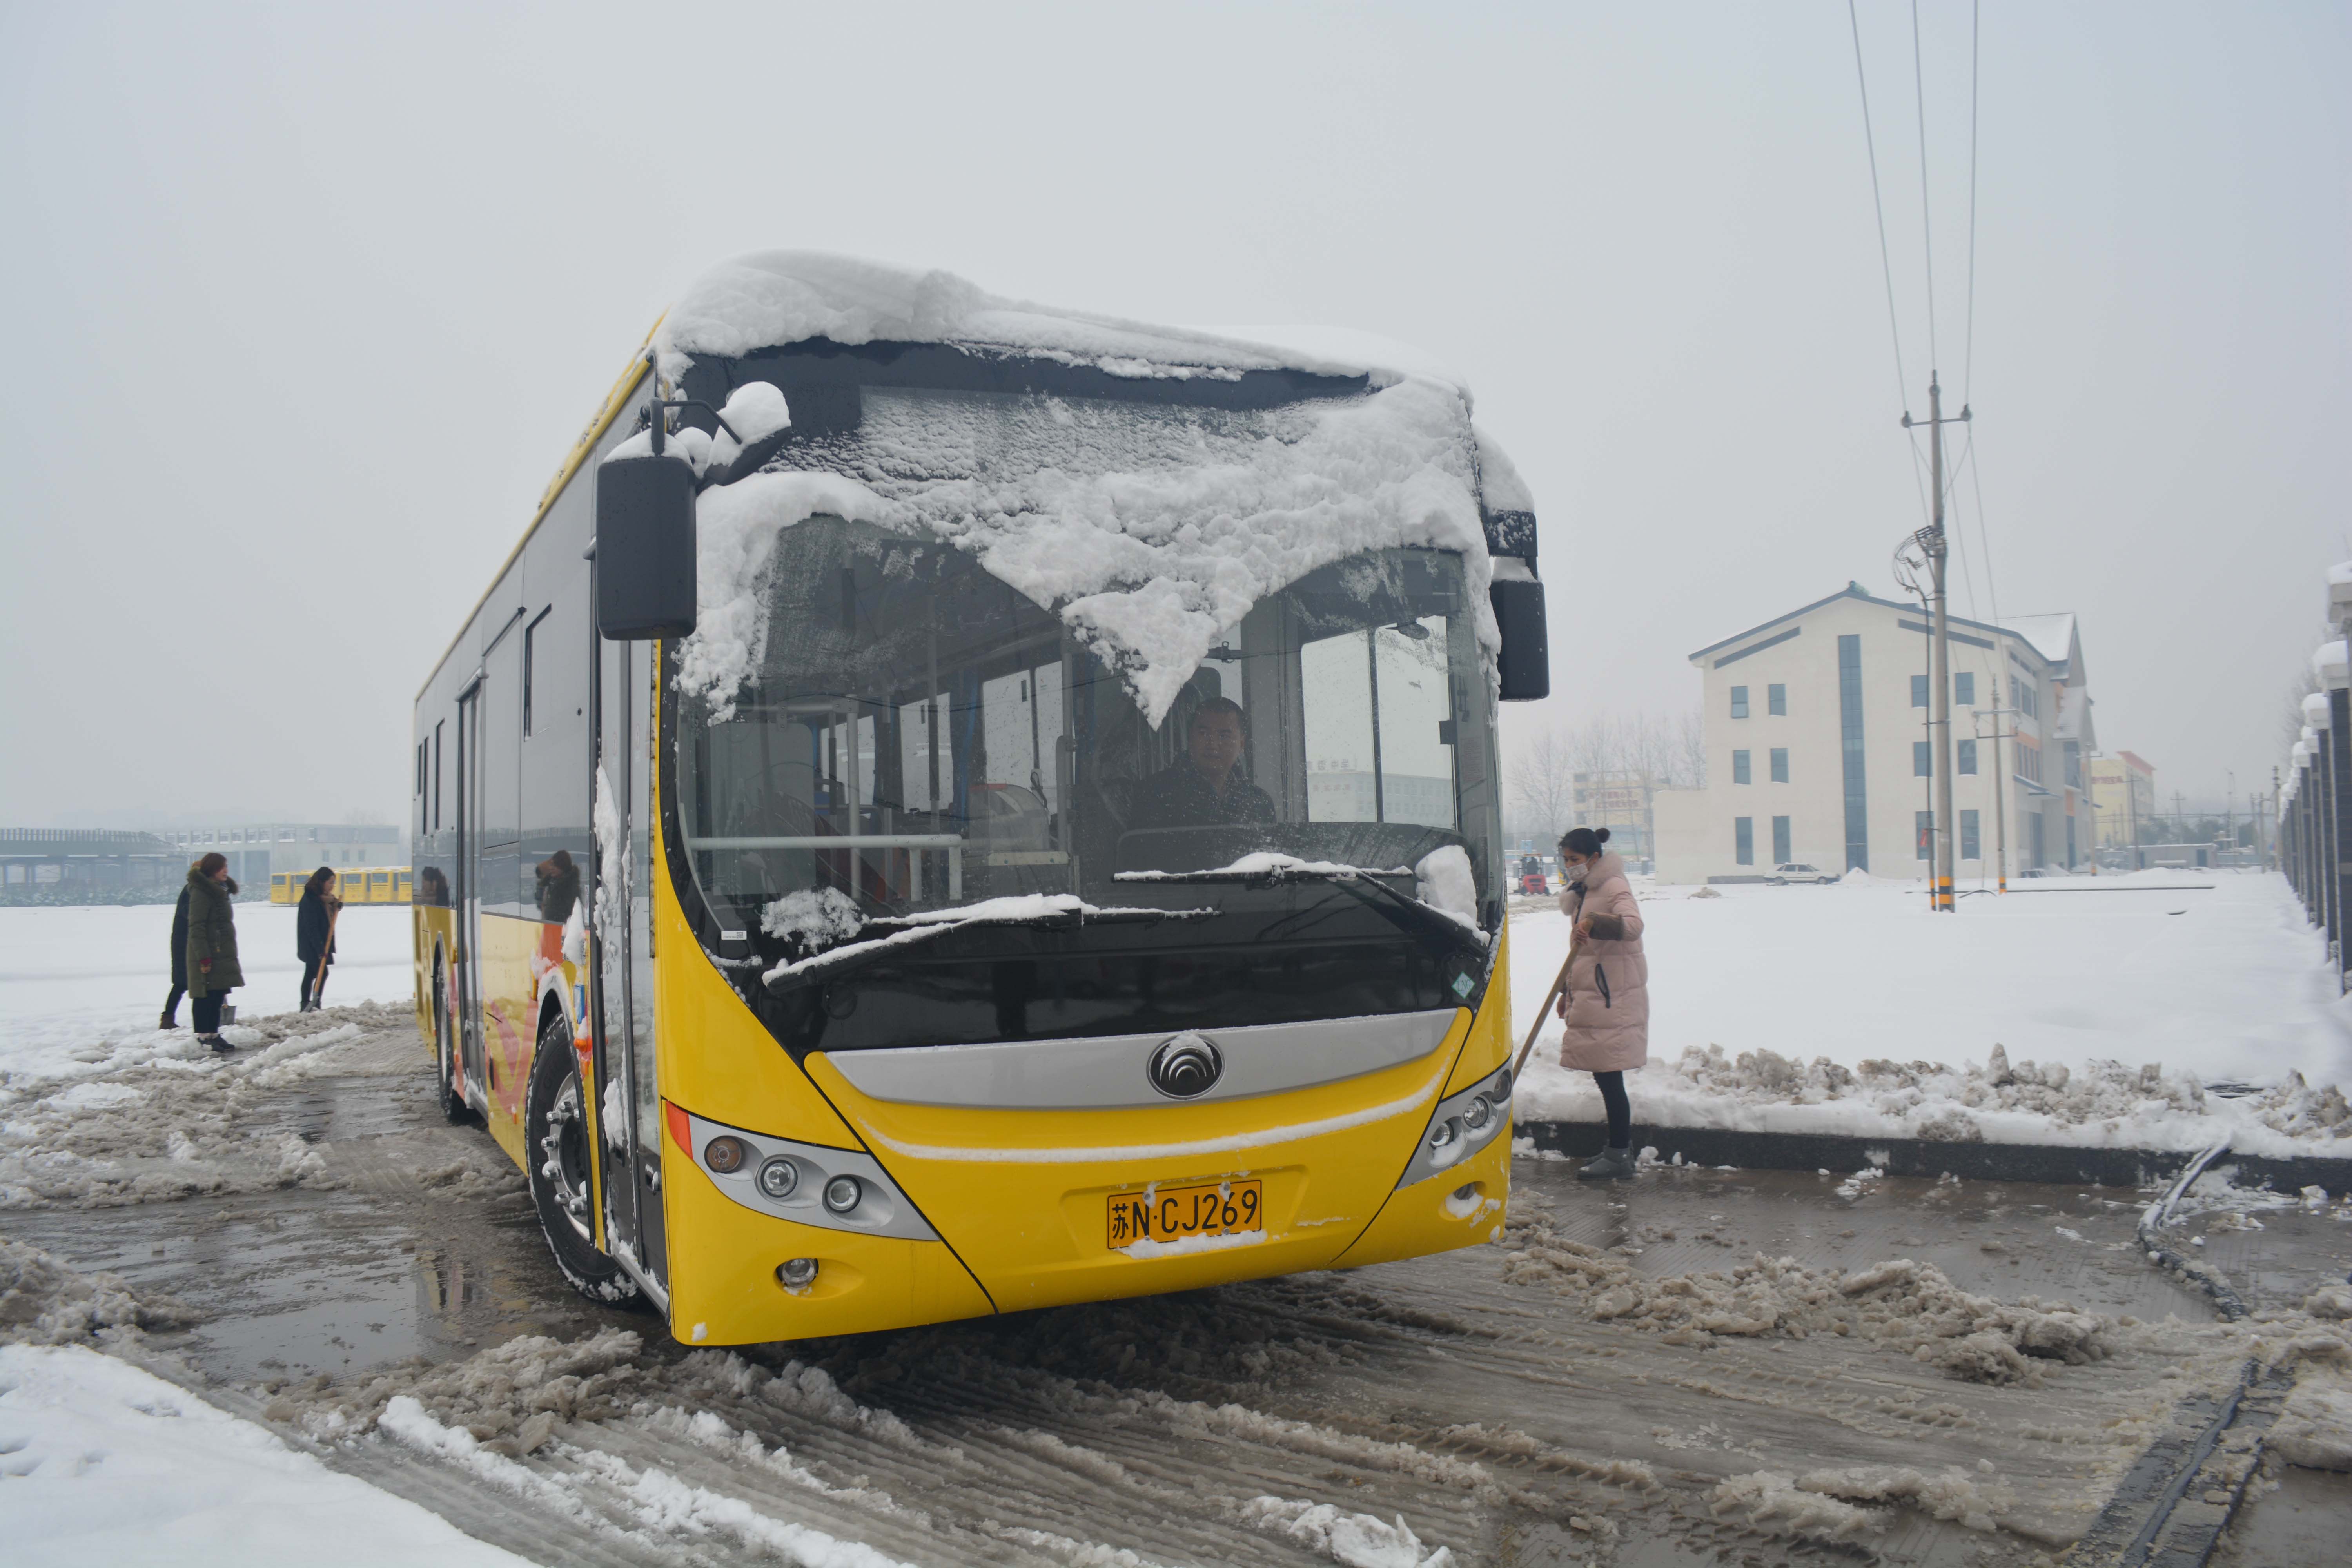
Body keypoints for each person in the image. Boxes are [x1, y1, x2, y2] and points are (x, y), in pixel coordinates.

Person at [1552, 826, 1648, 1179]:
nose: (1570, 866)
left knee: (1610, 1077)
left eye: (1574, 859)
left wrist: (1595, 922)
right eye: (1565, 860)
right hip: (1595, 994)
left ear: (1594, 858)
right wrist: (1567, 993)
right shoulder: (1585, 891)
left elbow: (1633, 925)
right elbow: (1582, 953)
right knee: (1606, 1076)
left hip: (1613, 998)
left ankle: (1619, 1155)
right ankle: (1618, 1150)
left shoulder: (1613, 886)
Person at [1130, 697, 1276, 830]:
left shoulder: (1258, 803)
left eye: (1224, 736)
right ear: (1190, 737)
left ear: (1242, 744)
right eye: (1204, 734)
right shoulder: (1154, 795)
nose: (1213, 744)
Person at [185, 852, 245, 1052]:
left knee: (217, 993)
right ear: (211, 869)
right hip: (207, 953)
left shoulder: (220, 891)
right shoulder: (201, 892)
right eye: (221, 867)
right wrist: (204, 957)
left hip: (221, 951)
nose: (226, 871)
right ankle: (204, 1036)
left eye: (226, 866)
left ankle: (213, 1033)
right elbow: (197, 927)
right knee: (205, 994)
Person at [296, 866, 340, 1011]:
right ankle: (314, 1004)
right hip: (312, 944)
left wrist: (336, 906)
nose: (332, 886)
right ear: (321, 882)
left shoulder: (324, 898)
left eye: (334, 883)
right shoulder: (310, 899)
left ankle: (307, 1005)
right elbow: (311, 927)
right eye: (330, 883)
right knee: (321, 973)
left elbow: (330, 908)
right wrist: (320, 949)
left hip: (319, 943)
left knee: (310, 973)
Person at [160, 858, 197, 1029]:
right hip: (185, 945)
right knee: (183, 983)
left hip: (185, 943)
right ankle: (167, 1020)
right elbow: (190, 915)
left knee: (184, 984)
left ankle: (168, 1019)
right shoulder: (192, 891)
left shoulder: (191, 889)